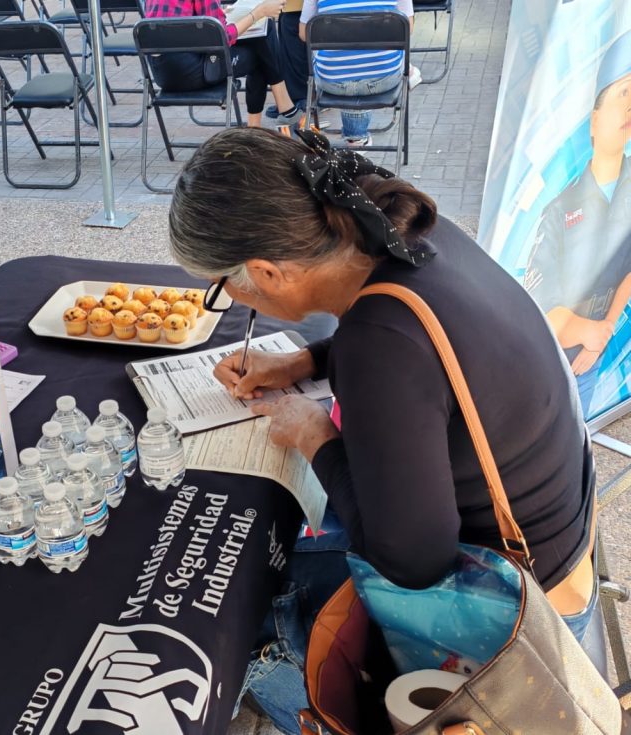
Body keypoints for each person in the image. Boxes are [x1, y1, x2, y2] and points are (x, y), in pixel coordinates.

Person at [167, 127, 597, 733]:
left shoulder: (378, 344)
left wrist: (314, 434)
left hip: (521, 626)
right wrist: (305, 361)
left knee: (240, 604)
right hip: (562, 537)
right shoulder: (405, 229)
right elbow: (424, 348)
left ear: (266, 271)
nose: (233, 298)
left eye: (223, 286)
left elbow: (411, 563)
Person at [524, 30, 631, 418]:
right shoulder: (559, 208)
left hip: (595, 351)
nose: (630, 105)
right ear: (594, 121)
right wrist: (585, 333)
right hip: (554, 356)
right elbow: (538, 303)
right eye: (623, 93)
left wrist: (602, 331)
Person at [144, 0, 301, 128]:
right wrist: (258, 13)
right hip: (195, 72)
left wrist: (217, 16)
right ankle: (258, 125)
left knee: (259, 36)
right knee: (261, 45)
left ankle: (282, 109)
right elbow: (220, 38)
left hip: (162, 74)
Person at [298, 0, 414, 147]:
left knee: (339, 60)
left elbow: (304, 34)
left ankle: (356, 138)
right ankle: (356, 138)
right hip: (383, 77)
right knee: (396, 58)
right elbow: (407, 28)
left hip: (333, 80)